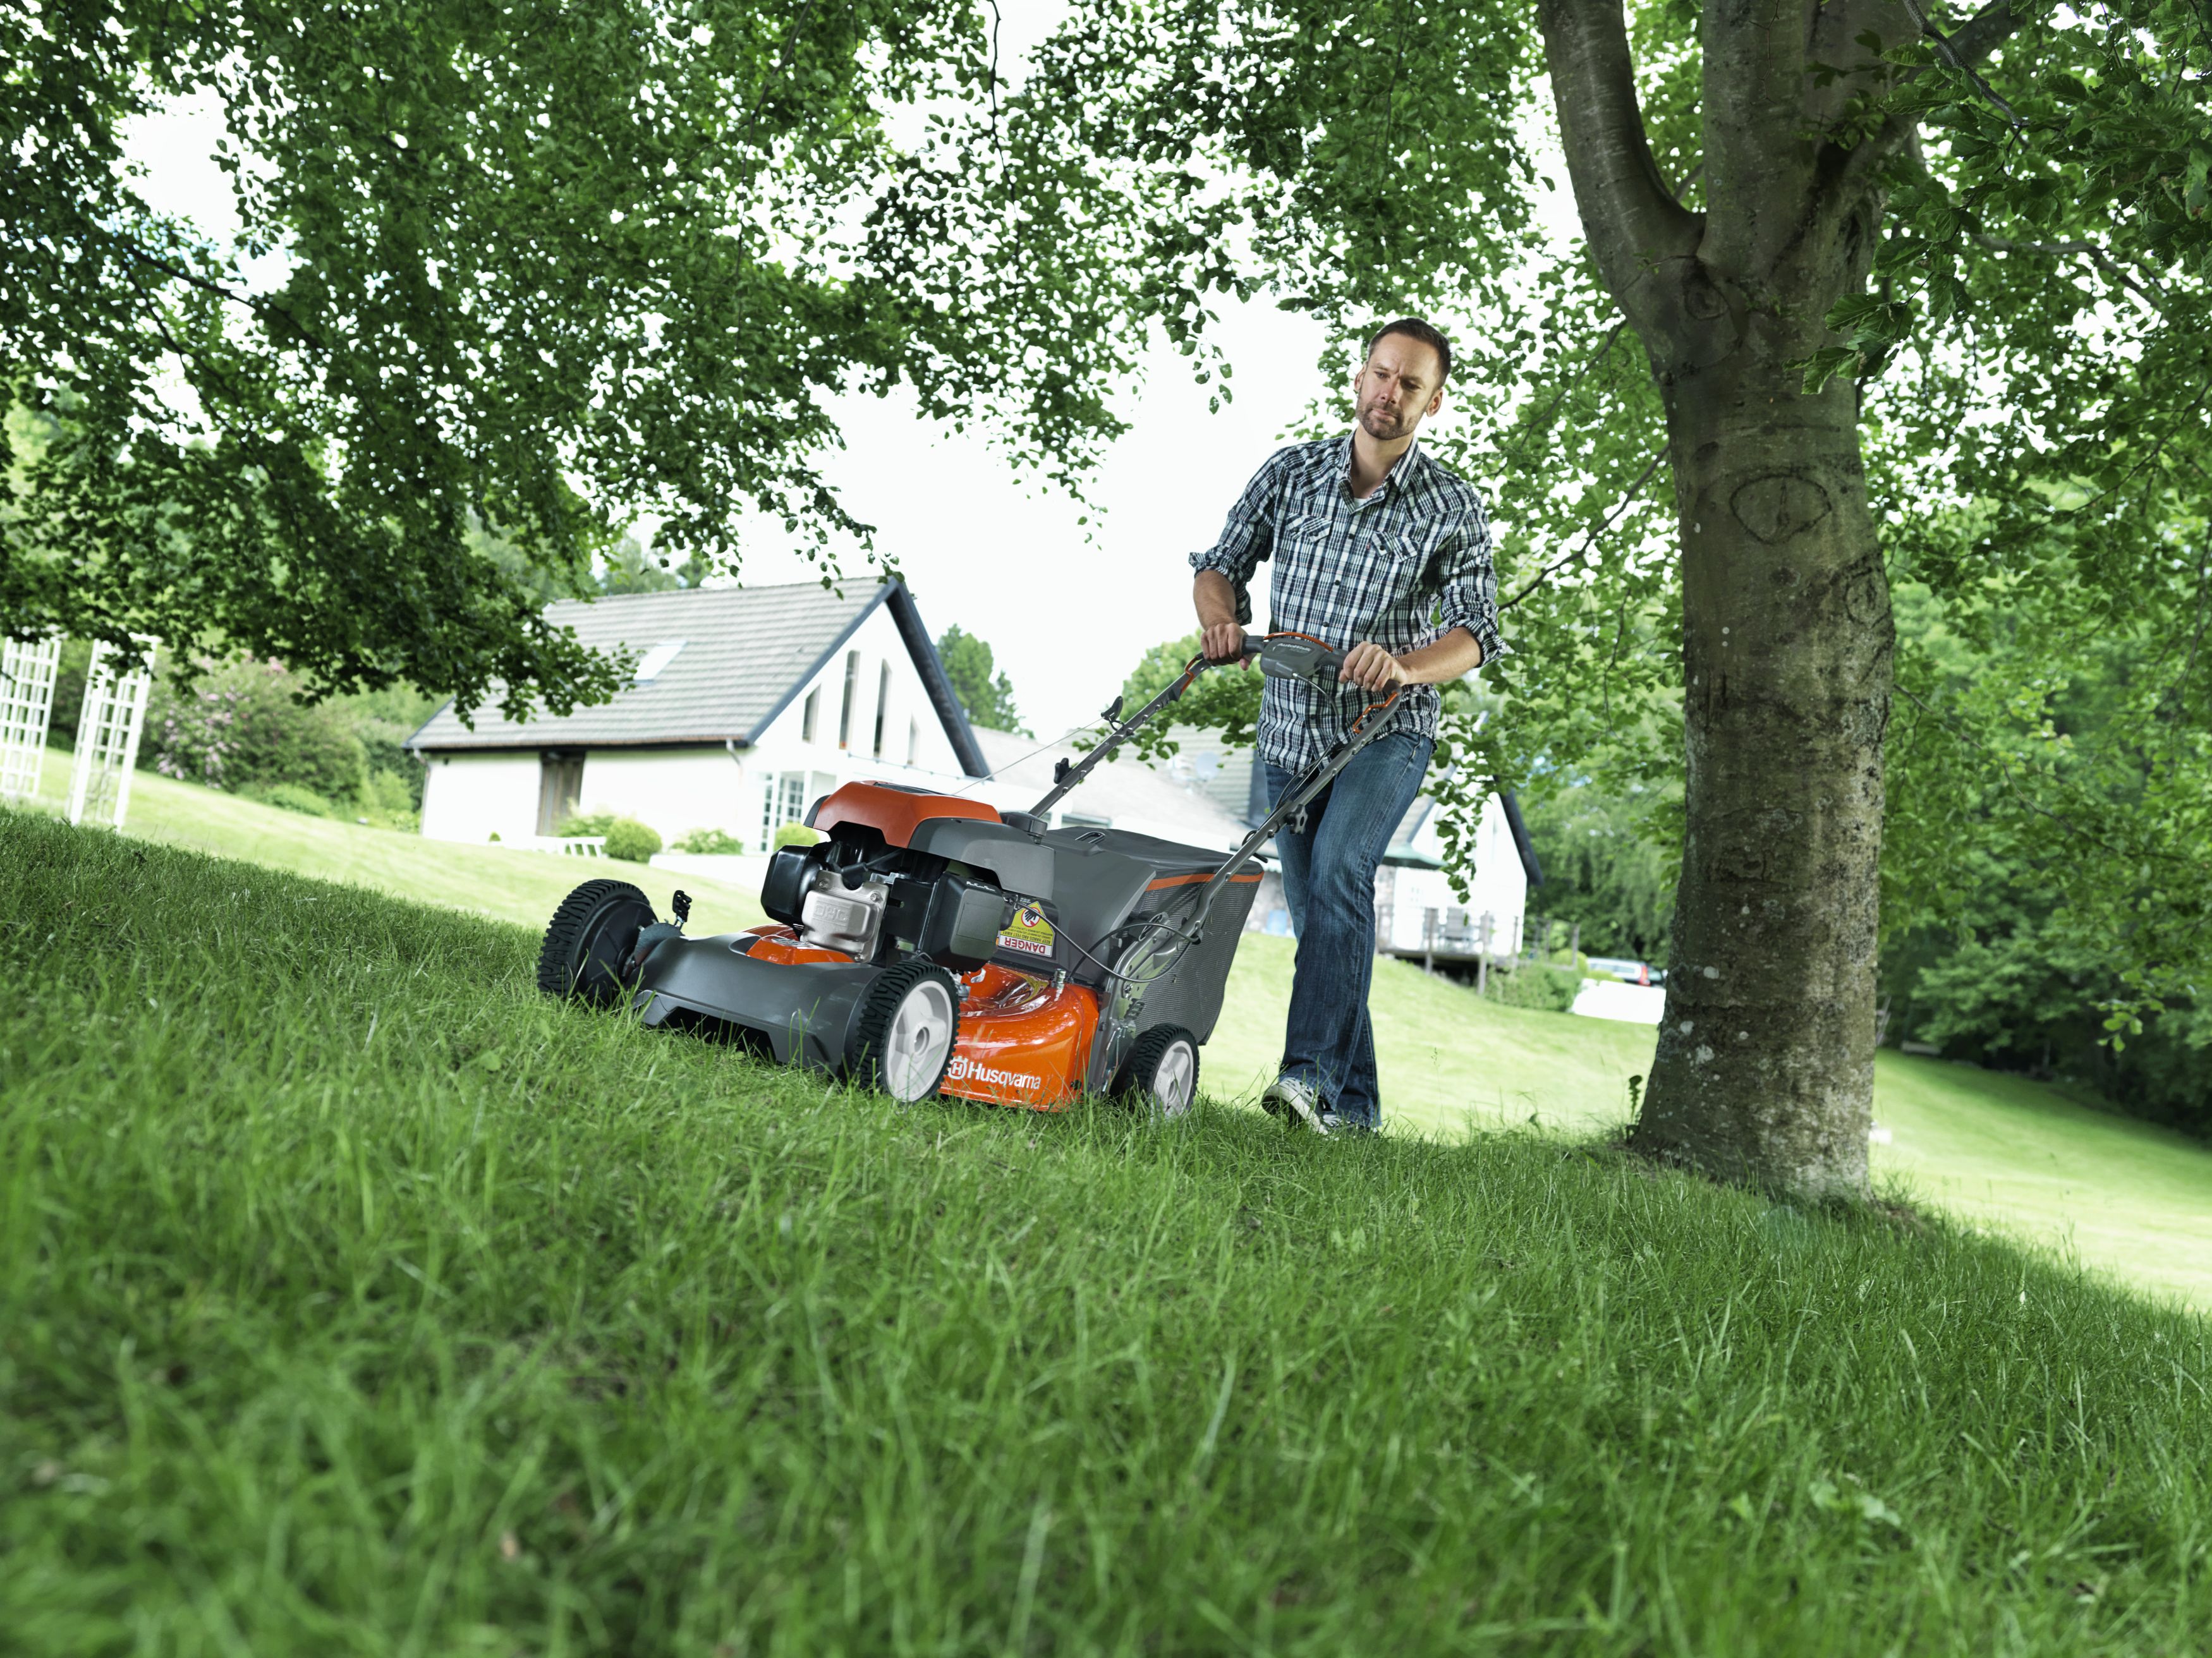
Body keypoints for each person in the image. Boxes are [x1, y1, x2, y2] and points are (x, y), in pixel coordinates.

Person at [1189, 318, 1502, 1135]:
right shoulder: (1292, 473)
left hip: (1384, 734)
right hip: (1290, 732)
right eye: (1381, 375)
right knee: (1329, 914)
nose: (1388, 394)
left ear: (1434, 404)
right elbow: (1221, 565)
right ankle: (1356, 1110)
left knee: (1337, 879)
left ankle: (1307, 1080)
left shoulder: (1450, 506)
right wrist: (1221, 622)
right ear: (1360, 378)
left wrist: (1404, 666)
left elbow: (1474, 634)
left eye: (1410, 386)